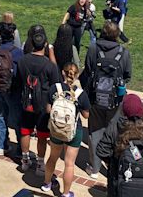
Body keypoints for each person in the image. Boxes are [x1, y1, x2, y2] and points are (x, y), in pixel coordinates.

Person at [81, 20, 132, 179]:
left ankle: (95, 168)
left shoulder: (93, 48)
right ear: (117, 35)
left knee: (95, 132)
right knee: (115, 131)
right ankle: (112, 166)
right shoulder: (124, 52)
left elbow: (88, 70)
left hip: (95, 98)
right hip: (116, 100)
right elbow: (127, 75)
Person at [96, 94, 143, 197]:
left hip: (119, 183)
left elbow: (101, 151)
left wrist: (115, 161)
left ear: (123, 112)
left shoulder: (114, 129)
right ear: (142, 112)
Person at [16, 26, 61, 175]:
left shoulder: (22, 61)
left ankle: (25, 161)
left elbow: (19, 80)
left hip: (26, 100)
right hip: (43, 104)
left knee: (25, 131)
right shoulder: (50, 65)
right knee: (42, 136)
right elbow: (56, 85)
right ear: (45, 45)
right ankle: (40, 164)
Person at [41, 63, 90, 197]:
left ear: (63, 72)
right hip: (74, 131)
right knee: (69, 164)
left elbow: (48, 109)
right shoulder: (81, 94)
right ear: (77, 75)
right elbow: (86, 115)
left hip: (56, 129)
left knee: (52, 157)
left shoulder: (54, 89)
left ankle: (46, 183)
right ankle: (66, 193)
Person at [0, 21, 24, 156]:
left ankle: (1, 145)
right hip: (13, 89)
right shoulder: (18, 52)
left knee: (1, 117)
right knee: (17, 120)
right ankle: (20, 149)